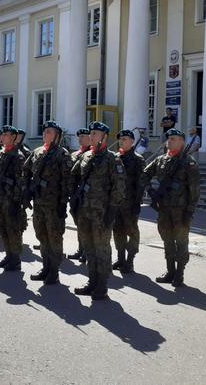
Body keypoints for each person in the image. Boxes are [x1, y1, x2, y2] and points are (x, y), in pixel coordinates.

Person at [71, 121, 126, 300]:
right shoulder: (86, 157)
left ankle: (102, 285)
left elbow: (119, 187)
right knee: (89, 248)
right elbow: (74, 178)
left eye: (95, 133)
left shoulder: (113, 159)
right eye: (91, 133)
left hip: (102, 213)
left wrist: (112, 210)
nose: (91, 136)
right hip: (85, 211)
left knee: (101, 248)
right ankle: (92, 282)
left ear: (104, 137)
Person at [141, 128, 200, 287]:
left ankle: (179, 273)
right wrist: (150, 190)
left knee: (181, 241)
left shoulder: (189, 162)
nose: (170, 141)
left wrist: (190, 211)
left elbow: (194, 190)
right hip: (164, 209)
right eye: (169, 138)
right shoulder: (160, 160)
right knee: (167, 240)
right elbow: (144, 174)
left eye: (174, 138)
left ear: (182, 142)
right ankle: (170, 271)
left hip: (181, 211)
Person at [23, 121, 72, 285]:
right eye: (44, 131)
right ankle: (45, 267)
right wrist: (27, 190)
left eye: (49, 132)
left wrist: (63, 203)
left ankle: (54, 271)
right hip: (39, 202)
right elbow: (26, 170)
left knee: (54, 238)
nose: (45, 134)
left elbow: (67, 181)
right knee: (42, 236)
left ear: (57, 135)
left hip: (54, 204)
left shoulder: (62, 154)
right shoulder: (37, 152)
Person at [0, 125, 26, 271]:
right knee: (3, 229)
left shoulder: (18, 156)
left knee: (13, 230)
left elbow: (21, 181)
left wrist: (16, 201)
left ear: (13, 137)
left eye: (6, 135)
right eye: (2, 135)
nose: (2, 137)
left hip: (11, 199)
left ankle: (15, 259)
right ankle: (8, 255)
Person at [112, 129, 145, 274]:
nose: (122, 141)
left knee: (131, 232)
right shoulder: (115, 158)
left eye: (125, 139)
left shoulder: (138, 159)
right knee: (117, 231)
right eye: (120, 139)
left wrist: (137, 203)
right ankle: (120, 258)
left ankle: (130, 260)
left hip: (130, 203)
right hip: (116, 202)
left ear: (132, 141)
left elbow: (141, 183)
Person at [67, 128, 91, 263]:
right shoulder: (75, 154)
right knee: (78, 223)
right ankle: (80, 249)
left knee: (86, 224)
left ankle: (87, 252)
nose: (80, 139)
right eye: (79, 136)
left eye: (83, 136)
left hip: (87, 195)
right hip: (75, 194)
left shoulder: (91, 154)